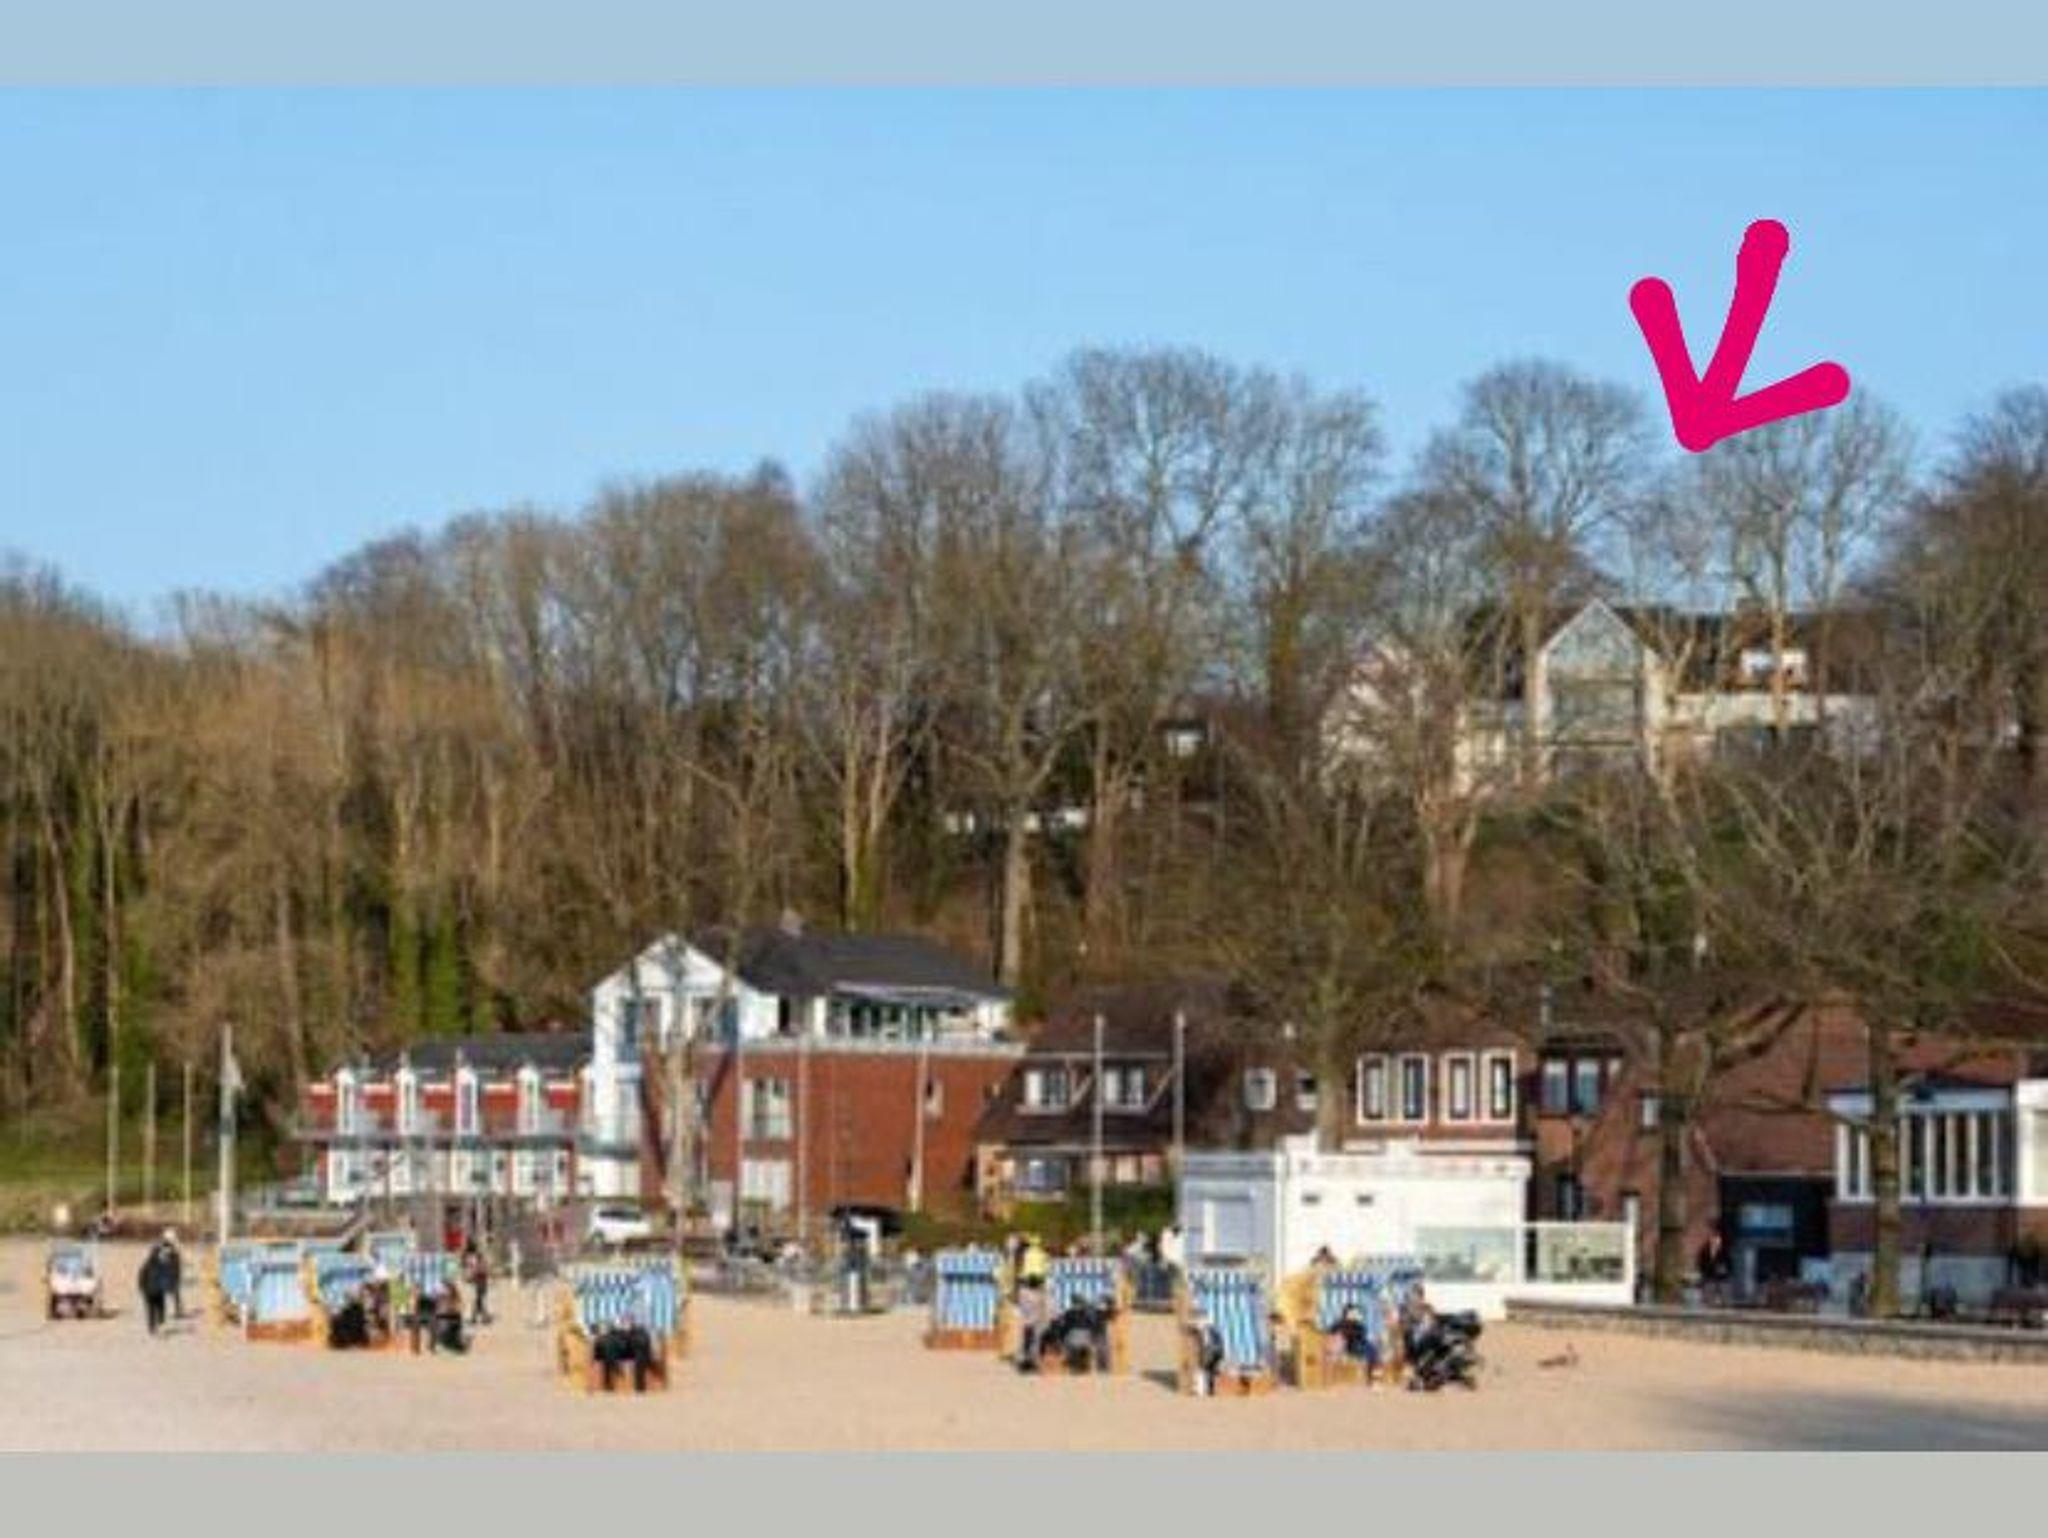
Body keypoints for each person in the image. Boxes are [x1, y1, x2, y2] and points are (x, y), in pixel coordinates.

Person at [595, 1311, 656, 1392]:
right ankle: (610, 1380)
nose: (627, 1323)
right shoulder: (614, 1332)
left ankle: (640, 1385)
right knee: (608, 1345)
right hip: (617, 1354)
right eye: (625, 1321)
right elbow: (603, 1344)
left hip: (634, 1352)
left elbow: (644, 1342)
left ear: (632, 1322)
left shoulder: (639, 1330)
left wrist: (631, 1335)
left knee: (641, 1349)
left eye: (629, 1320)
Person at [1014, 1273, 1050, 1373]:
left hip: (1027, 1321)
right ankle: (1031, 1363)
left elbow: (1020, 1287)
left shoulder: (1023, 1293)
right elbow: (1045, 1308)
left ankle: (1025, 1363)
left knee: (1026, 1343)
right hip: (1036, 1322)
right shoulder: (1039, 1295)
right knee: (1035, 1343)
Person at [136, 1244, 168, 1336]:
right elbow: (141, 1277)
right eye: (158, 1252)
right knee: (154, 1309)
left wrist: (142, 1288)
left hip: (155, 1290)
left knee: (155, 1309)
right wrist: (142, 1288)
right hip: (152, 1291)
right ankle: (153, 1326)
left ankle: (155, 1325)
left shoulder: (155, 1264)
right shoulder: (150, 1264)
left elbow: (141, 1277)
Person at [463, 1240, 491, 1325]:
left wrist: (469, 1276)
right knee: (478, 1300)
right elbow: (483, 1268)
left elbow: (472, 1269)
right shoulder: (477, 1256)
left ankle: (479, 1317)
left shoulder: (471, 1257)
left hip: (477, 1280)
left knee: (477, 1300)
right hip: (480, 1280)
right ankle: (480, 1317)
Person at [160, 1230, 186, 1319]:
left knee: (173, 1292)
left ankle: (177, 1310)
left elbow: (164, 1259)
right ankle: (177, 1310)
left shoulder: (174, 1247)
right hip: (171, 1272)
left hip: (173, 1273)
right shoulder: (170, 1247)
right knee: (173, 1292)